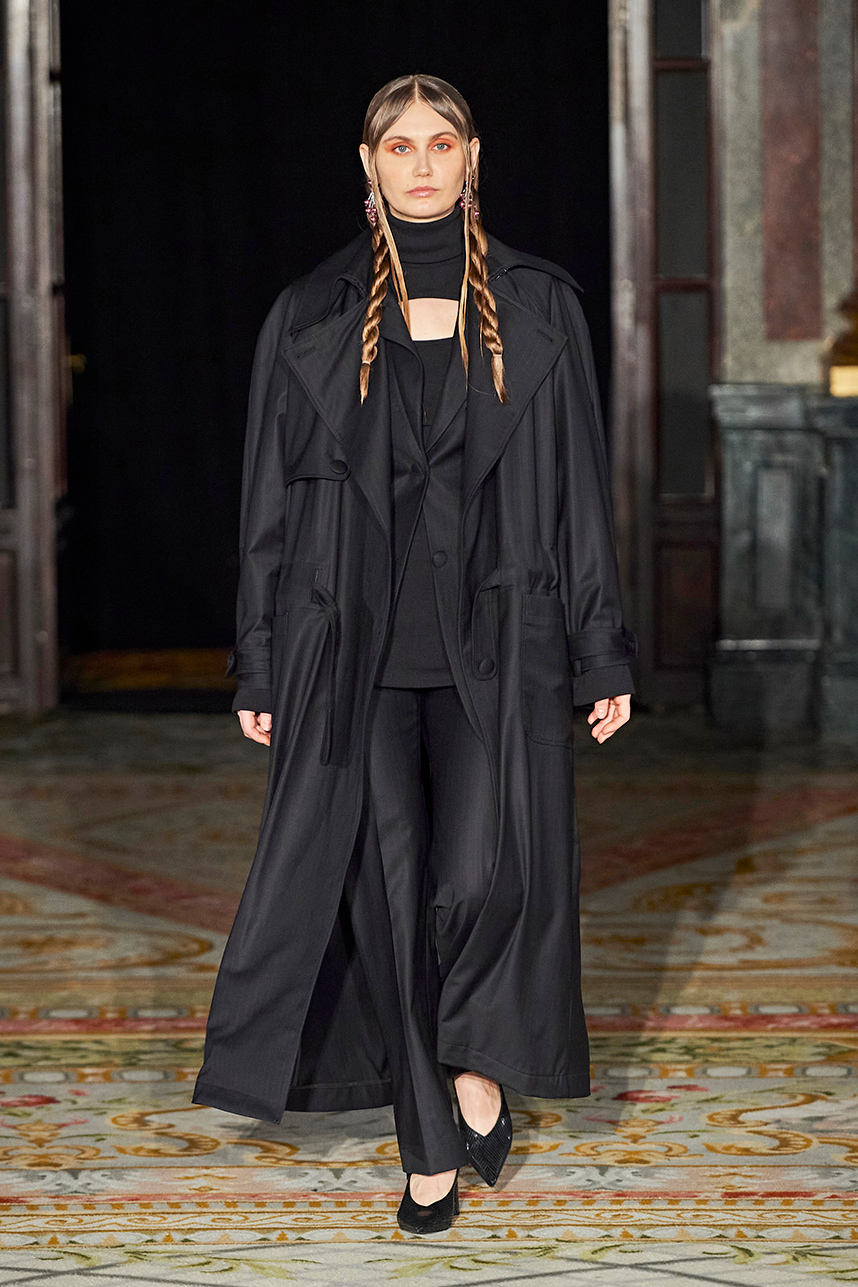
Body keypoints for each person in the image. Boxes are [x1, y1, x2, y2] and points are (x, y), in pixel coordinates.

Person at [192, 73, 636, 1236]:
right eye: (401, 146)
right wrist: (257, 662)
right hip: (348, 655)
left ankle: (478, 1062)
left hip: (505, 645)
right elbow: (266, 510)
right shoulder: (310, 313)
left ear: (474, 158)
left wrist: (602, 650)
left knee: (480, 877)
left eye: (443, 143)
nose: (424, 163)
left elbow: (582, 494)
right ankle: (428, 1142)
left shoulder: (541, 305)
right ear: (368, 164)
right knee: (387, 899)